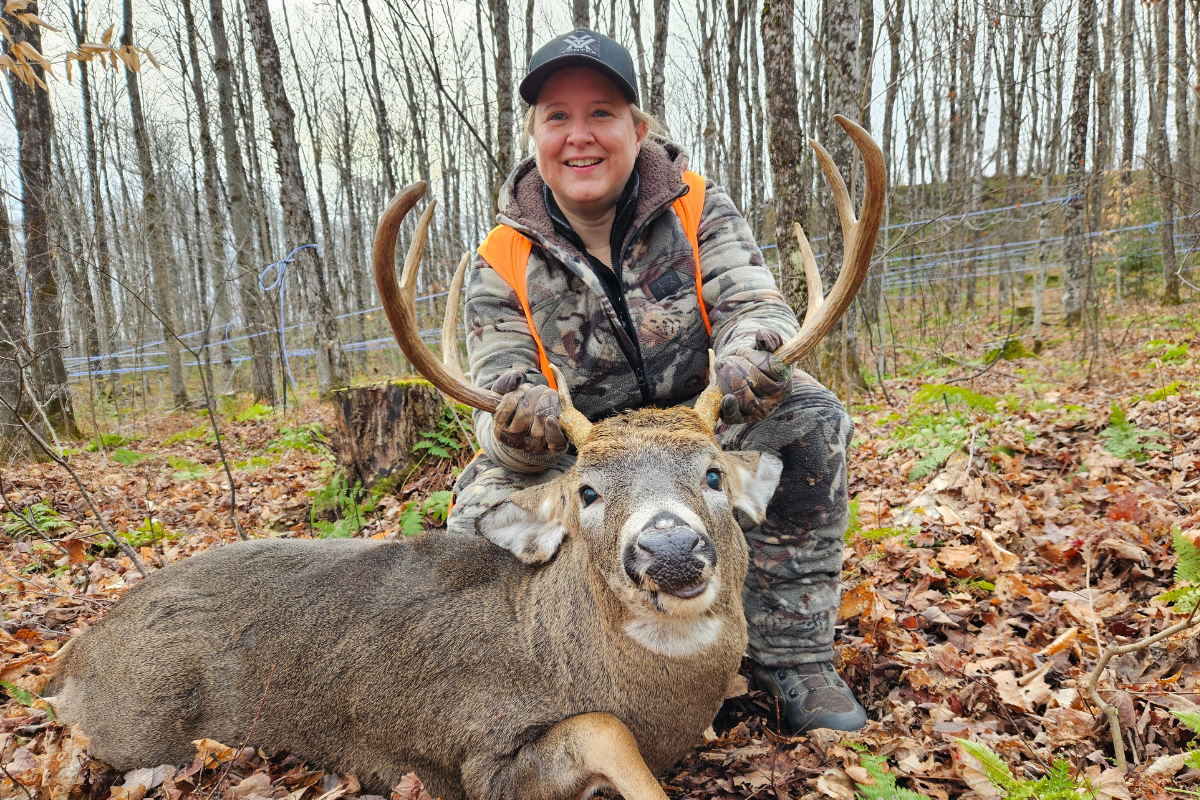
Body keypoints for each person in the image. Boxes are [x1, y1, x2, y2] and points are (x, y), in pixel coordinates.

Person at [447, 27, 866, 733]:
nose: (580, 137)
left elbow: (755, 304)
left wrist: (750, 355)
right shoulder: (501, 259)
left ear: (638, 128)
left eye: (602, 113)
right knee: (469, 519)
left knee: (813, 416)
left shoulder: (699, 207)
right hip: (583, 452)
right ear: (535, 136)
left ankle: (790, 655)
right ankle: (556, 667)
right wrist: (520, 426)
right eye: (558, 117)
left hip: (697, 425)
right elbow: (498, 392)